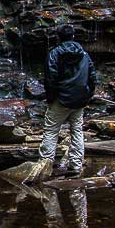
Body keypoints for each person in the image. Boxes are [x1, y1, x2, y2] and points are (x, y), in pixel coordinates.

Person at [35, 24, 96, 179]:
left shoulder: (54, 54)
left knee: (51, 130)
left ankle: (45, 164)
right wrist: (87, 94)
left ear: (58, 37)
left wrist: (51, 98)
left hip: (60, 99)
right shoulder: (84, 54)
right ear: (73, 36)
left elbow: (50, 79)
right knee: (77, 130)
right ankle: (76, 165)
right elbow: (92, 77)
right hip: (79, 99)